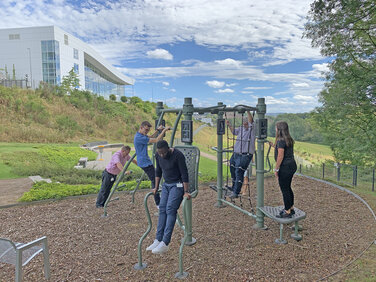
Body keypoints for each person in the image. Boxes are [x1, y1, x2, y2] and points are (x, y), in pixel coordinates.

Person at [146, 140, 190, 254]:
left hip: (178, 185)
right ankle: (158, 239)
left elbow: (184, 173)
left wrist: (186, 191)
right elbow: (158, 172)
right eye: (160, 153)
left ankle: (165, 242)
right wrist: (155, 187)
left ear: (168, 149)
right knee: (162, 209)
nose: (162, 155)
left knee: (170, 209)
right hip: (166, 185)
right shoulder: (158, 155)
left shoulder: (178, 155)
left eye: (164, 153)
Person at [134, 121, 171, 208]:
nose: (147, 132)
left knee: (155, 178)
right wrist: (164, 130)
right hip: (144, 162)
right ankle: (158, 202)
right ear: (141, 127)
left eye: (148, 130)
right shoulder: (139, 138)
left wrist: (157, 130)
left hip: (145, 161)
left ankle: (158, 198)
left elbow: (151, 137)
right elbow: (156, 140)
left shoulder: (140, 135)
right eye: (146, 130)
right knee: (155, 179)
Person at [270, 121, 297, 218]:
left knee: (284, 189)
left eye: (276, 128)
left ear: (279, 129)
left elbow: (281, 155)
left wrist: (276, 169)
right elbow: (283, 149)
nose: (275, 129)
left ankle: (287, 211)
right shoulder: (288, 139)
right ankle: (291, 208)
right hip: (292, 165)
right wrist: (274, 145)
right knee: (288, 187)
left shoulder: (281, 140)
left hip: (285, 167)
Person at [226, 111, 256, 198]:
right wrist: (229, 125)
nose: (245, 123)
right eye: (244, 122)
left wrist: (247, 111)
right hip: (236, 154)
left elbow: (251, 120)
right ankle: (233, 187)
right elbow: (234, 132)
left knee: (239, 171)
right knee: (232, 169)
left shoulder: (251, 129)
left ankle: (236, 192)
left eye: (246, 122)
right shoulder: (241, 128)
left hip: (245, 155)